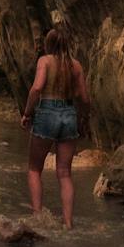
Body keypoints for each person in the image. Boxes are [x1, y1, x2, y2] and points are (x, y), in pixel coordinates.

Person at [21, 25, 89, 229]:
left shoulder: (45, 61)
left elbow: (37, 88)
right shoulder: (76, 66)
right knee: (65, 173)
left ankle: (38, 218)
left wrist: (27, 113)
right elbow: (84, 98)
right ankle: (68, 222)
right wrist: (83, 118)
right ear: (68, 44)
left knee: (34, 169)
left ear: (48, 44)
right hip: (69, 114)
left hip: (47, 113)